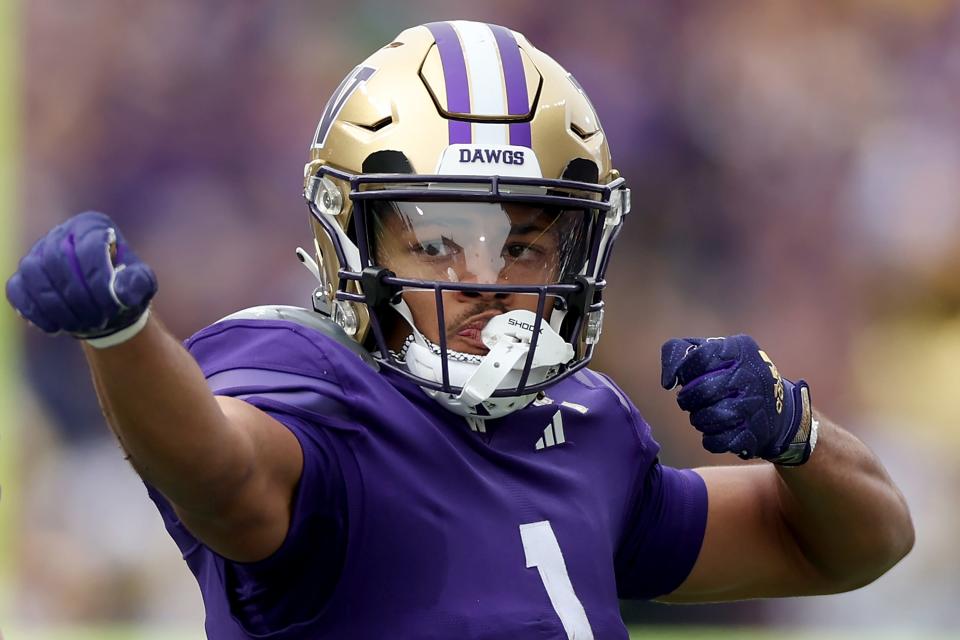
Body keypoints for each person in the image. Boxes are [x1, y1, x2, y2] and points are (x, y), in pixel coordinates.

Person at [6, 20, 913, 640]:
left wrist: (796, 433)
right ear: (351, 236)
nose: (481, 279)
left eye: (521, 243)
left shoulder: (586, 426)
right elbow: (226, 480)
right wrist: (123, 337)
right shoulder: (308, 382)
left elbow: (853, 544)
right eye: (439, 240)